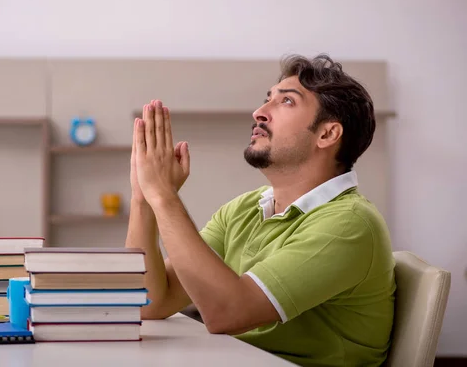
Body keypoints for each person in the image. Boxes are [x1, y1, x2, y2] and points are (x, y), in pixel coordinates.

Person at [125, 54, 396, 367]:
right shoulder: (245, 209)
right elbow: (149, 302)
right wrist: (143, 197)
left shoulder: (348, 224)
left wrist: (164, 195)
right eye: (268, 99)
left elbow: (227, 314)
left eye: (286, 102)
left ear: (327, 134)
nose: (259, 112)